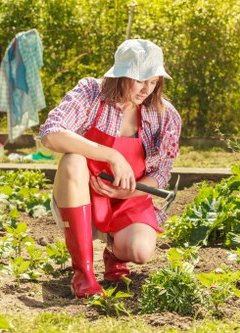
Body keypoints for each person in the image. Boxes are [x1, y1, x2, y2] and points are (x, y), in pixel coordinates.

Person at [39, 39, 181, 299]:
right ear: (122, 74)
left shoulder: (164, 114)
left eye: (153, 82)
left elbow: (161, 172)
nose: (146, 89)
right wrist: (111, 155)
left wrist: (127, 194)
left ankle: (114, 253)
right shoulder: (91, 93)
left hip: (128, 198)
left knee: (140, 251)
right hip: (85, 193)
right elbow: (51, 134)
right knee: (73, 160)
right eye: (140, 80)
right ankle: (83, 274)